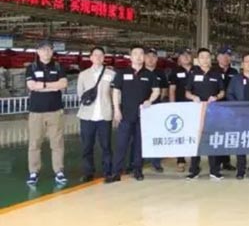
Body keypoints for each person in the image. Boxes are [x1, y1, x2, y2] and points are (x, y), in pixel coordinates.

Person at [107, 46, 160, 183]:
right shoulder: (122, 73)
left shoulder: (149, 74)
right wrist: (116, 110)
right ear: (130, 57)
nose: (138, 56)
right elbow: (116, 91)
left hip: (143, 116)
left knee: (139, 144)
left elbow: (156, 90)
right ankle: (116, 172)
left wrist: (150, 100)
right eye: (135, 54)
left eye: (141, 54)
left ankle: (138, 170)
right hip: (125, 115)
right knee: (121, 144)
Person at [25, 41, 69, 186]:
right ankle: (33, 172)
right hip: (36, 112)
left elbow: (63, 84)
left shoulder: (58, 67)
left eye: (49, 49)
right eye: (43, 49)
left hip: (55, 111)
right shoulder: (31, 67)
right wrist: (52, 86)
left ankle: (59, 171)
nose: (46, 52)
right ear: (38, 52)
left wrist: (42, 85)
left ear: (52, 51)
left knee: (57, 143)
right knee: (34, 143)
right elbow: (31, 86)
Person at [185, 48, 226, 180]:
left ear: (211, 58)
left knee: (211, 140)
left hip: (212, 111)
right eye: (202, 57)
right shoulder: (193, 73)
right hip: (196, 112)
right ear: (198, 59)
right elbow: (187, 92)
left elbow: (222, 92)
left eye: (207, 57)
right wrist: (193, 97)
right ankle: (194, 170)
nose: (205, 59)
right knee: (196, 140)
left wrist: (216, 97)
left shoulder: (216, 74)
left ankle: (214, 170)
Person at [76, 47, 116, 182]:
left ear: (104, 58)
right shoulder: (83, 75)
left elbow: (115, 93)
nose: (98, 57)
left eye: (101, 55)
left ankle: (108, 171)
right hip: (87, 116)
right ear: (91, 58)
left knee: (106, 146)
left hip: (105, 115)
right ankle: (88, 172)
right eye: (95, 55)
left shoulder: (111, 74)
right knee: (87, 146)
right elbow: (80, 93)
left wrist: (115, 109)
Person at [169, 49, 193, 172]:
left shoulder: (197, 70)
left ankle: (194, 159)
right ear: (179, 58)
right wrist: (172, 106)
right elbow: (172, 90)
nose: (186, 57)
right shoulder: (175, 72)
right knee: (181, 132)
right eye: (183, 55)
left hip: (195, 106)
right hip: (180, 106)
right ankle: (180, 159)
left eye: (188, 55)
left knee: (194, 132)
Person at [144, 48, 169, 173]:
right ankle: (135, 162)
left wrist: (161, 102)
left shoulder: (160, 73)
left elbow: (164, 89)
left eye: (153, 56)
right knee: (138, 135)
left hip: (156, 108)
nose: (150, 59)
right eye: (148, 56)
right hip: (142, 108)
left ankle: (156, 162)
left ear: (157, 59)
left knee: (156, 135)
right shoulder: (139, 72)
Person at [216, 46, 239, 171]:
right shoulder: (213, 71)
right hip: (215, 108)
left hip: (230, 108)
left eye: (228, 55)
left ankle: (226, 161)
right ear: (218, 57)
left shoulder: (234, 72)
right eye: (223, 55)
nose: (226, 58)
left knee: (226, 134)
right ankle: (216, 162)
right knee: (216, 134)